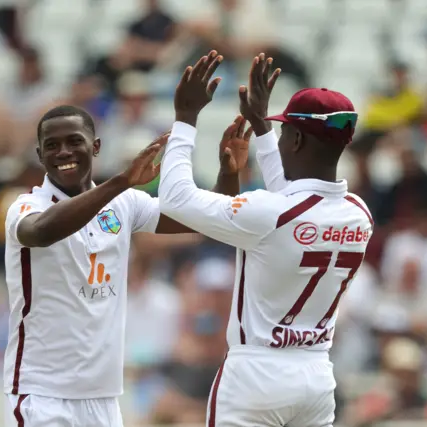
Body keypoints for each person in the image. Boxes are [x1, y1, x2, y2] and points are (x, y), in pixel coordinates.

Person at [2, 102, 279, 427]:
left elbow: (204, 220)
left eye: (74, 141)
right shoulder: (26, 207)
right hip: (41, 395)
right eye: (52, 145)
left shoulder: (124, 204)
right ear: (39, 155)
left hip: (102, 399)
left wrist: (228, 172)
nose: (64, 151)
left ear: (96, 146)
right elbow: (41, 232)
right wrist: (121, 181)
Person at [158, 51, 374, 427]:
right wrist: (261, 126)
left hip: (256, 374)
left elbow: (175, 199)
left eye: (285, 130)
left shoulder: (269, 212)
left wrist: (186, 118)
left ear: (295, 140)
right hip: (316, 375)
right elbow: (293, 200)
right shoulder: (359, 214)